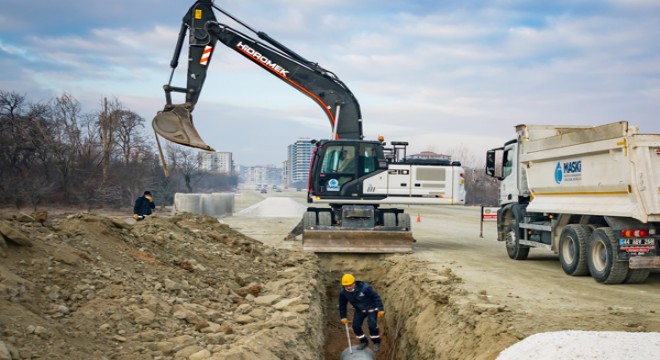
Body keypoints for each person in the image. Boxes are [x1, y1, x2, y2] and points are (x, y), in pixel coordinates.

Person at [339, 273, 384, 352]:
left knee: (372, 326)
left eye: (350, 285)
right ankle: (364, 341)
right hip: (359, 310)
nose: (349, 287)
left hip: (371, 309)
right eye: (346, 286)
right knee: (356, 326)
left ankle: (376, 342)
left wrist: (380, 309)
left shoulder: (365, 288)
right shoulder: (343, 292)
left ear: (354, 282)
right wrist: (343, 317)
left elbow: (376, 297)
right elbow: (342, 305)